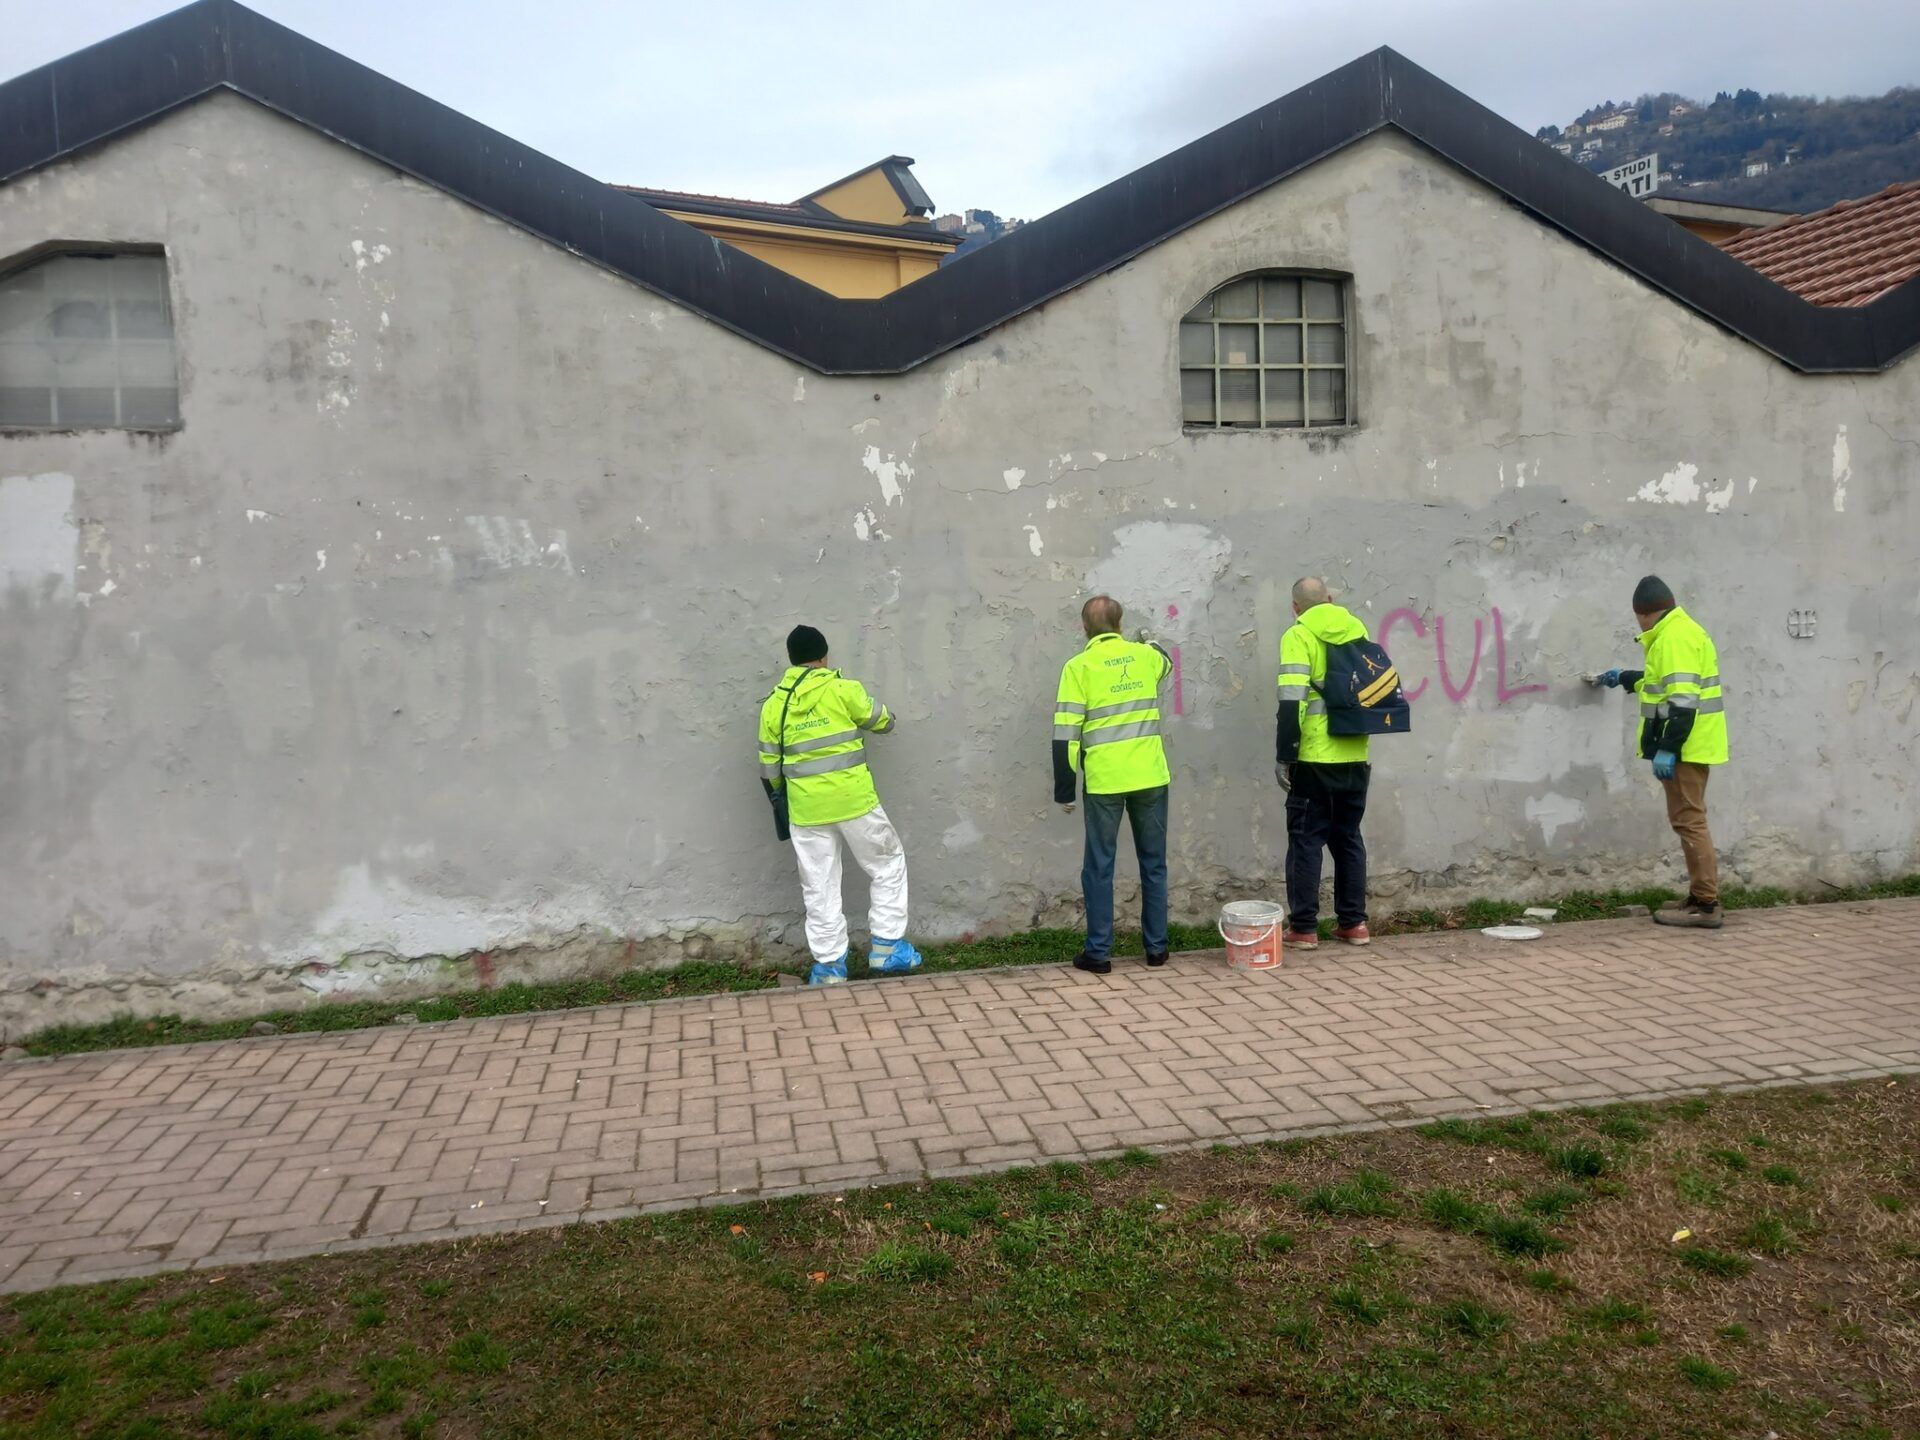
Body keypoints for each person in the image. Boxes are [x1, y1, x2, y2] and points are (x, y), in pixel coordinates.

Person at [758, 625, 924, 985]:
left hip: (806, 810)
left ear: (792, 660)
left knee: (819, 885)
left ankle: (829, 967)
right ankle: (887, 948)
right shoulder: (843, 689)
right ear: (824, 656)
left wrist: (783, 795)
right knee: (886, 864)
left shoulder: (774, 705)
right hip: (854, 802)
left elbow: (769, 769)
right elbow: (882, 721)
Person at [1594, 576, 1728, 929]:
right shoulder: (1681, 631)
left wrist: (1668, 749)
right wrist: (1625, 677)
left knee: (1690, 821)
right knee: (1689, 819)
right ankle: (1700, 897)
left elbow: (1682, 702)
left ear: (1643, 614)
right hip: (1693, 744)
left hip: (1685, 747)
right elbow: (1661, 684)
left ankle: (1706, 905)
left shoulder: (1672, 638)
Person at [1052, 596, 1173, 975]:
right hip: (1150, 777)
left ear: (1084, 628)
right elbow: (1166, 660)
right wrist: (1149, 639)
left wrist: (1065, 788)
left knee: (1099, 866)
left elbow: (1065, 733)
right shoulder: (1144, 657)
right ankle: (1157, 949)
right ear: (1120, 625)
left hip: (1105, 782)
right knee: (1154, 863)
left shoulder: (1078, 667)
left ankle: (1099, 953)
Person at [1275, 577, 1373, 949]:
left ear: (1296, 606)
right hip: (1356, 753)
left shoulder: (1298, 635)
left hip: (1315, 757)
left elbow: (1292, 699)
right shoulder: (1357, 629)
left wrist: (1286, 754)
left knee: (1306, 841)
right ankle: (1354, 923)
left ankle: (1303, 927)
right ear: (1330, 599)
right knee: (1348, 839)